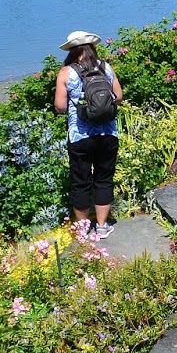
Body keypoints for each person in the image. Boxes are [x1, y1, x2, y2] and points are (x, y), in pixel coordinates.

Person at [54, 31, 124, 237]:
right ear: (92, 48)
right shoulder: (105, 67)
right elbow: (118, 97)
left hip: (80, 136)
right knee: (104, 178)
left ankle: (83, 230)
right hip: (108, 133)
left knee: (81, 181)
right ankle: (102, 226)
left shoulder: (66, 72)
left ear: (72, 51)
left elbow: (59, 106)